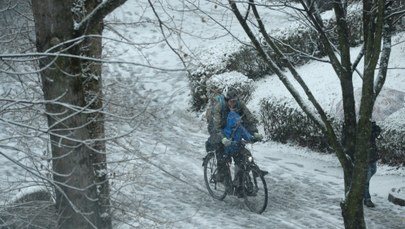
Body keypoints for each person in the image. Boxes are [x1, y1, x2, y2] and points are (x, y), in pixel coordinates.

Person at [207, 87, 262, 197]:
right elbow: (216, 127)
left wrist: (254, 133)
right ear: (227, 100)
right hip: (218, 132)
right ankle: (222, 178)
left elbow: (248, 120)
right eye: (231, 101)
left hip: (232, 135)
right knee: (222, 156)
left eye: (235, 101)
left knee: (244, 157)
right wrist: (222, 138)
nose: (233, 104)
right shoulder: (219, 107)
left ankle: (240, 184)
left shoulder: (239, 106)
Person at [364, 121, 381, 208]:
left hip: (372, 155)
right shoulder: (361, 127)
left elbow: (377, 133)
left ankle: (360, 189)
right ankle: (367, 199)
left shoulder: (371, 127)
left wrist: (374, 126)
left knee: (373, 171)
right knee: (366, 180)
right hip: (364, 156)